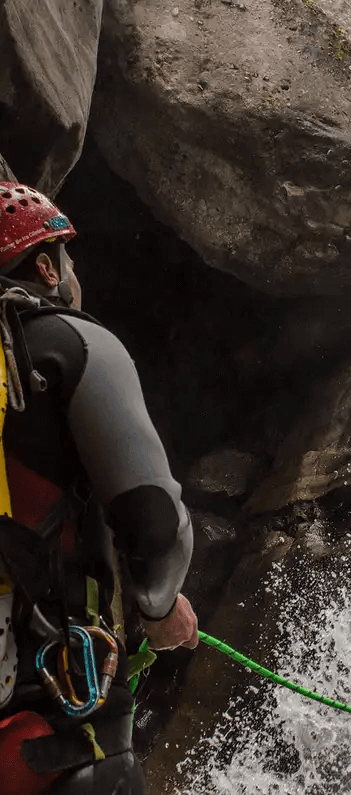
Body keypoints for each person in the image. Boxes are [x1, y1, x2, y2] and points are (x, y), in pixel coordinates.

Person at [0, 181, 199, 794]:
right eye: (68, 257)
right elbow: (154, 519)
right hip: (54, 706)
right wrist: (161, 609)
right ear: (45, 266)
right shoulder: (74, 344)